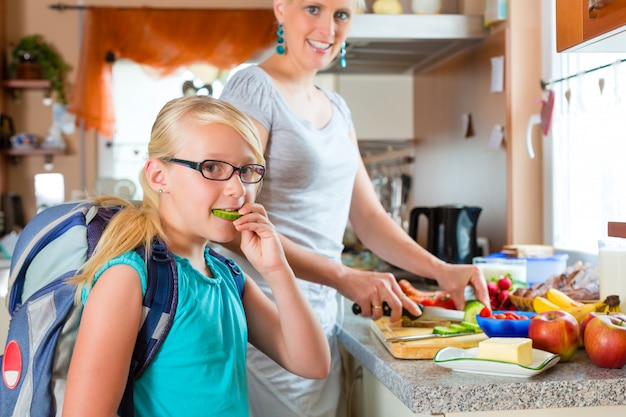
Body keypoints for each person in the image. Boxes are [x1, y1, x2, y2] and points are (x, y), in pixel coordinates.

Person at [214, 1, 492, 416]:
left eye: (341, 14)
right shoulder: (253, 88)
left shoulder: (338, 108)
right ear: (281, 9)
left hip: (323, 311)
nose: (328, 27)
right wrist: (344, 276)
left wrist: (441, 269)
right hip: (266, 312)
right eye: (313, 8)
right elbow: (235, 221)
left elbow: (369, 218)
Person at [62, 96, 331, 417]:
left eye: (247, 170)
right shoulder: (129, 277)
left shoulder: (227, 276)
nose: (237, 189)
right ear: (159, 176)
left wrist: (277, 269)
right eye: (212, 167)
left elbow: (312, 364)